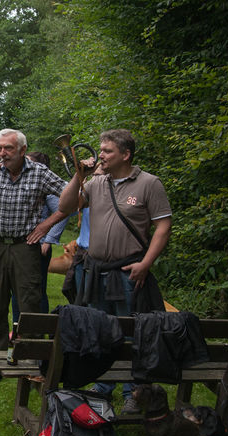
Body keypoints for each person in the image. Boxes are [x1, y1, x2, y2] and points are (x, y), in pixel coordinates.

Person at [58, 129, 171, 413]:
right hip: (96, 271)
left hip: (129, 272)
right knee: (99, 329)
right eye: (101, 150)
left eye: (107, 151)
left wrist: (146, 264)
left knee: (133, 332)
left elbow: (163, 226)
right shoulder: (96, 182)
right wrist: (79, 176)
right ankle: (103, 385)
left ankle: (133, 392)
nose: (100, 155)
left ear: (125, 154)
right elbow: (65, 205)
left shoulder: (149, 184)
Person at [0, 129, 68, 382]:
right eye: (0, 148)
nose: (2, 153)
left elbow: (74, 198)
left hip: (25, 247)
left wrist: (47, 226)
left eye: (8, 148)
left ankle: (34, 366)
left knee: (30, 306)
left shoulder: (39, 173)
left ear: (22, 150)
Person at [10, 151, 72, 322]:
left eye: (28, 162)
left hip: (38, 246)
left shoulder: (46, 186)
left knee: (36, 291)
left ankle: (40, 329)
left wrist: (48, 239)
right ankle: (18, 329)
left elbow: (64, 211)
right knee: (17, 290)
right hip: (20, 245)